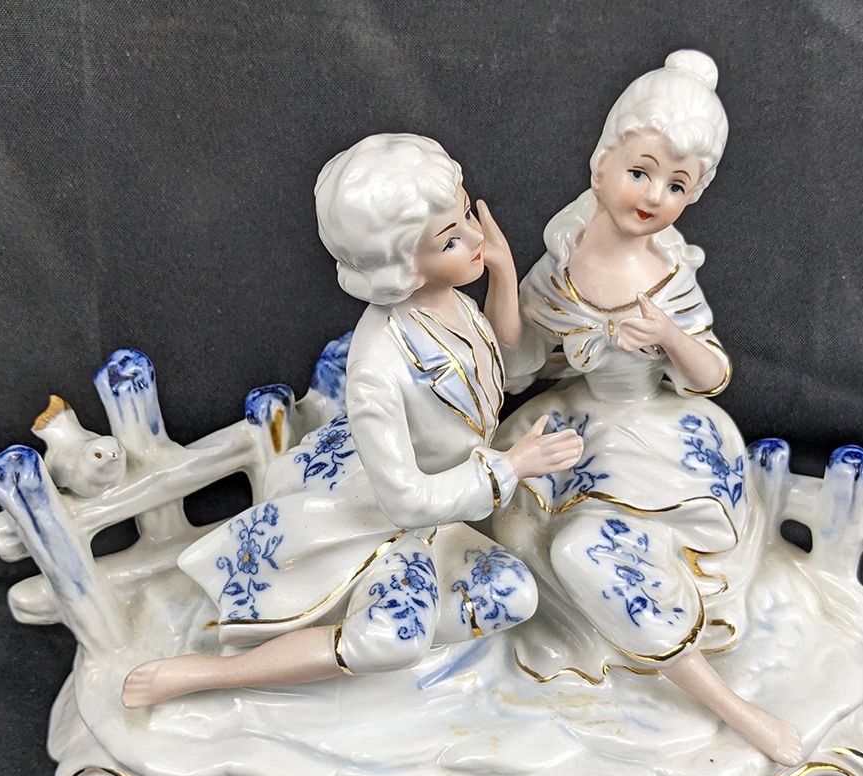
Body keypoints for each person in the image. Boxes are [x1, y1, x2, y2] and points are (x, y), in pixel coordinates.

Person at [122, 133, 582, 708]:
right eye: (450, 239)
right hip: (374, 522)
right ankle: (214, 674)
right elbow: (405, 502)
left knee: (513, 596)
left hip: (445, 504)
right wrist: (510, 467)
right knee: (393, 639)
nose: (474, 239)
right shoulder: (378, 365)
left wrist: (504, 273)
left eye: (468, 214)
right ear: (399, 266)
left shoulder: (453, 303)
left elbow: (505, 359)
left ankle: (389, 654)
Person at [492, 51, 803, 765]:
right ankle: (586, 642)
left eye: (677, 185)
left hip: (656, 435)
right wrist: (505, 280)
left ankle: (727, 704)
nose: (654, 195)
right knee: (505, 521)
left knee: (584, 551)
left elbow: (712, 374)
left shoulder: (669, 277)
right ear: (601, 163)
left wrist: (669, 335)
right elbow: (518, 364)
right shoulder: (559, 270)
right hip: (578, 421)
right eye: (642, 171)